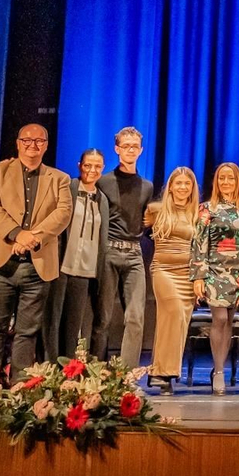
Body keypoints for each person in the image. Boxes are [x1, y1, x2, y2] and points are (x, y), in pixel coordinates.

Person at [0, 124, 72, 385]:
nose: (33, 145)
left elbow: (62, 214)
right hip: (1, 264)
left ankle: (20, 388)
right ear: (18, 143)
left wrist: (32, 238)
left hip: (36, 266)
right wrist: (17, 234)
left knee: (27, 332)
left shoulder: (60, 178)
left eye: (39, 141)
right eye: (27, 140)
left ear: (46, 145)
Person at [48, 149, 113, 364]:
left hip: (85, 269)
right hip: (61, 264)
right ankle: (48, 366)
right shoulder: (68, 189)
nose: (92, 170)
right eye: (88, 165)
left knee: (72, 324)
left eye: (97, 166)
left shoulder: (102, 199)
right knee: (53, 320)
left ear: (102, 169)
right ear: (79, 166)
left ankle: (66, 369)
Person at [191, 162, 239, 395]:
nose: (226, 182)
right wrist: (199, 276)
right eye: (222, 178)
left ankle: (220, 368)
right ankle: (218, 372)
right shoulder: (207, 209)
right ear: (216, 181)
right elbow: (198, 244)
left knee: (229, 319)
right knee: (219, 318)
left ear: (238, 182)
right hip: (214, 270)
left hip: (236, 271)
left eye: (231, 179)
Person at [100, 126, 155, 367]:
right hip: (109, 252)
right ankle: (96, 369)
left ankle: (126, 374)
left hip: (134, 253)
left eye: (134, 146)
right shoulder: (104, 182)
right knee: (102, 317)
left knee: (135, 317)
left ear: (141, 150)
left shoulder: (147, 186)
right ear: (117, 149)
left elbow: (145, 218)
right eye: (126, 146)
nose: (130, 150)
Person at [148, 166, 200, 394]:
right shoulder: (155, 210)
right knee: (174, 312)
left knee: (179, 322)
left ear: (192, 188)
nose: (182, 187)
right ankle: (161, 371)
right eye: (178, 183)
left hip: (187, 274)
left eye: (186, 184)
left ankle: (164, 373)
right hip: (164, 271)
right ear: (170, 187)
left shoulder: (198, 213)